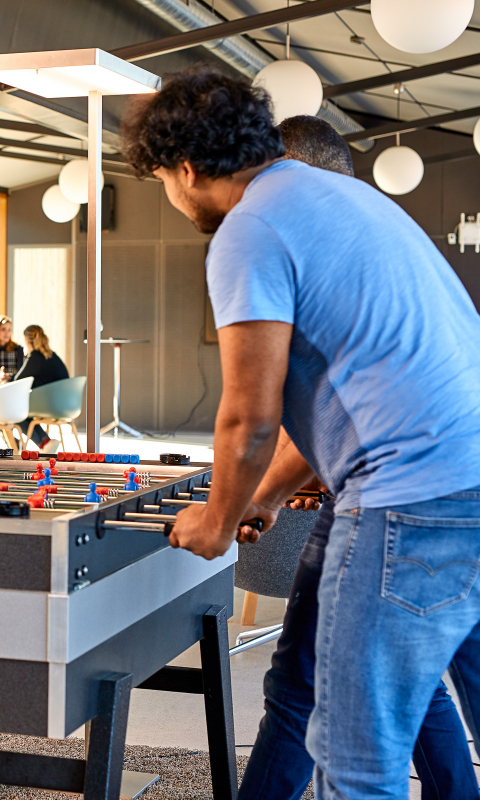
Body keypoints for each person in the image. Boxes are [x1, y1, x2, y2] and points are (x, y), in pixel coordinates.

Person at [121, 66, 480, 798]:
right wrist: (269, 497)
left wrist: (218, 522)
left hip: (407, 501)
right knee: (345, 692)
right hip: (464, 484)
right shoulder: (345, 196)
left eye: (162, 179)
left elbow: (250, 411)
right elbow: (343, 382)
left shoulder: (247, 229)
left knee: (355, 757)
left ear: (186, 169)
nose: (170, 195)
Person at [231, 115, 478, 800]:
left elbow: (260, 414)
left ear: (294, 168)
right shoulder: (384, 232)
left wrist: (248, 500)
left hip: (401, 499)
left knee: (338, 726)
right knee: (393, 679)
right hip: (446, 486)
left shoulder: (298, 238)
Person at [14, 324, 69, 448]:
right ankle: (45, 443)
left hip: (52, 404)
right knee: (23, 411)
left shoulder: (35, 357)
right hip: (66, 403)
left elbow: (18, 380)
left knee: (16, 412)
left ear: (27, 341)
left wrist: (8, 377)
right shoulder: (51, 355)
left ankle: (43, 443)